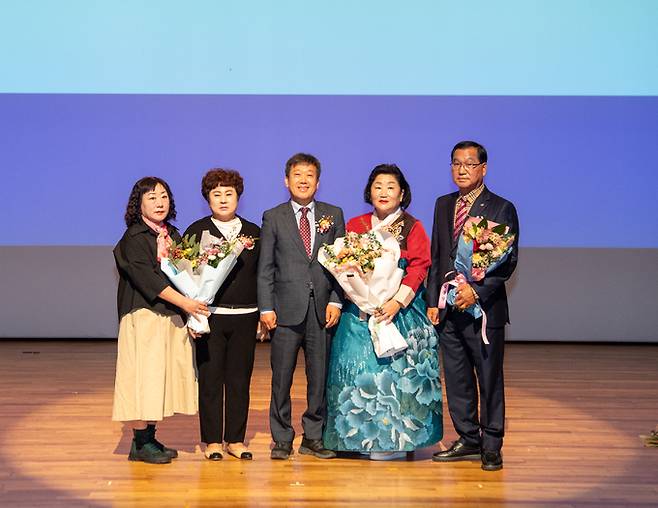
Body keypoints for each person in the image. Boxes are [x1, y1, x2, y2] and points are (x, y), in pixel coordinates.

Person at [323, 163, 443, 460]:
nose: (384, 192)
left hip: (400, 309)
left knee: (399, 373)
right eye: (378, 186)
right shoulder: (355, 224)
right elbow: (344, 265)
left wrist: (396, 302)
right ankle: (354, 440)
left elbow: (419, 267)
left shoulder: (412, 227)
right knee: (353, 365)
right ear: (369, 191)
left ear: (402, 194)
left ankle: (397, 442)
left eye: (391, 186)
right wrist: (363, 299)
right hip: (359, 309)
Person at [426, 141, 519, 471]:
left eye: (468, 163)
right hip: (448, 310)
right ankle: (468, 438)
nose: (462, 169)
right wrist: (433, 300)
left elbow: (506, 264)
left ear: (483, 168)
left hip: (483, 312)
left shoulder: (501, 208)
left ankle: (492, 443)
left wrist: (476, 292)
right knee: (457, 377)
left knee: (489, 378)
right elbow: (439, 256)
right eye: (456, 163)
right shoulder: (442, 204)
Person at [112, 177, 208, 464]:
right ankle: (140, 443)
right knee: (142, 377)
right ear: (138, 203)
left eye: (164, 196)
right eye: (151, 197)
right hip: (144, 316)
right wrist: (188, 305)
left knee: (159, 379)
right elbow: (149, 281)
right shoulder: (135, 237)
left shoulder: (173, 235)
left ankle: (149, 438)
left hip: (169, 317)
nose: (159, 202)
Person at [258, 153, 345, 460]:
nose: (304, 180)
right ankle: (282, 437)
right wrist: (265, 308)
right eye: (297, 175)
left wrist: (336, 299)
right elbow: (266, 267)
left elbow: (342, 265)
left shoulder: (333, 215)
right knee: (281, 377)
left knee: (318, 376)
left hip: (322, 311)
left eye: (309, 175)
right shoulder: (273, 216)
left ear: (318, 182)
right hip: (284, 310)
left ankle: (313, 436)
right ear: (286, 180)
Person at [185, 169, 261, 461]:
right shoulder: (197, 231)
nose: (223, 199)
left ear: (238, 197)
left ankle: (236, 440)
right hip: (210, 317)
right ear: (208, 199)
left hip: (246, 316)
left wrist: (265, 314)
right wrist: (193, 317)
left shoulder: (254, 232)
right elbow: (187, 276)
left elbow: (263, 275)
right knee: (210, 379)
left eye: (229, 193)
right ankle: (213, 440)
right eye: (216, 194)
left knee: (240, 381)